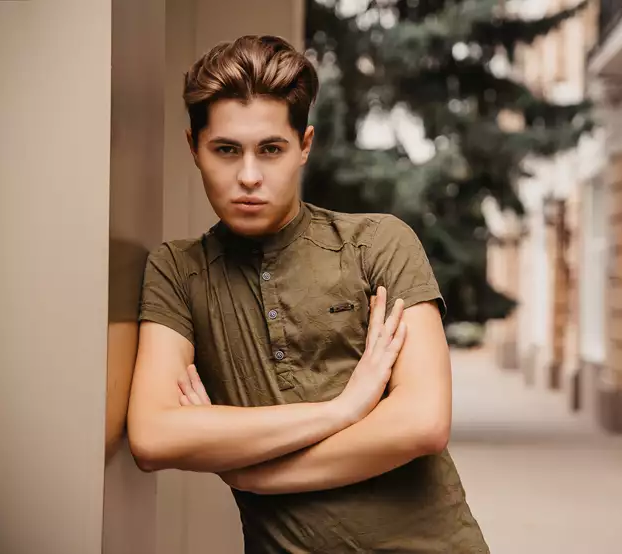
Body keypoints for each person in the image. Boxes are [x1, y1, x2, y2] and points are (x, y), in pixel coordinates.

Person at [127, 35, 489, 553]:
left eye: (270, 149)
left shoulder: (377, 244)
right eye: (226, 150)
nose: (248, 176)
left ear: (304, 145)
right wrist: (343, 409)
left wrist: (251, 474)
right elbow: (154, 436)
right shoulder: (178, 273)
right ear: (194, 148)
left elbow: (422, 422)